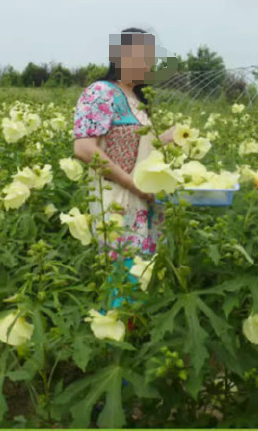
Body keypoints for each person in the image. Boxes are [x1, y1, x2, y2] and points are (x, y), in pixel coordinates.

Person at [73, 27, 176, 310]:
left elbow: (142, 147)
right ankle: (116, 345)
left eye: (151, 58)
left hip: (146, 202)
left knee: (143, 281)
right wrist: (134, 184)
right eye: (142, 56)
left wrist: (169, 138)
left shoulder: (139, 101)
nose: (148, 64)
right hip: (119, 204)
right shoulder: (101, 92)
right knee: (123, 284)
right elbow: (84, 150)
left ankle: (134, 339)